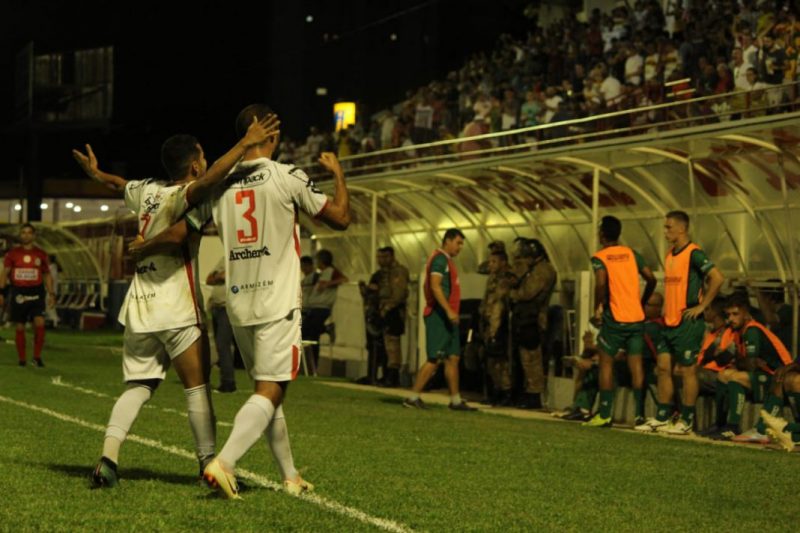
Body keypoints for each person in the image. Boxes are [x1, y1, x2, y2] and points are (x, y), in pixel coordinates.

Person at [71, 113, 280, 488]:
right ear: (195, 165)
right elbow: (181, 230)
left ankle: (107, 460)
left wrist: (97, 174)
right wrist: (246, 143)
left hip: (141, 305)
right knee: (197, 387)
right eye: (203, 157)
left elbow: (119, 184)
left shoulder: (147, 191)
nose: (207, 162)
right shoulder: (190, 196)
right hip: (177, 304)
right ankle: (208, 466)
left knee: (138, 386)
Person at [176, 103, 350, 499]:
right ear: (270, 133)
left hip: (240, 304)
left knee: (268, 391)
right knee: (271, 390)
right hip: (277, 302)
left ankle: (290, 475)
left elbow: (188, 223)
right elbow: (340, 218)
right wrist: (339, 174)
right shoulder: (288, 176)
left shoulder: (221, 182)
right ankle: (225, 462)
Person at [637, 210, 724, 434]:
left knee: (688, 371)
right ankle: (663, 416)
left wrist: (702, 306)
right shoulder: (670, 255)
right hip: (669, 322)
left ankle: (686, 420)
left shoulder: (694, 253)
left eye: (669, 227)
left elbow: (717, 277)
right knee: (663, 368)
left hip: (687, 322)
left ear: (682, 229)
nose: (665, 232)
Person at [583, 216, 656, 428]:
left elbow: (601, 283)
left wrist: (598, 306)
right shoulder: (632, 254)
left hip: (614, 318)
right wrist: (643, 301)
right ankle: (639, 416)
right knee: (636, 365)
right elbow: (651, 278)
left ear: (601, 235)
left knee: (606, 363)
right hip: (636, 318)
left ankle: (605, 414)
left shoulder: (600, 257)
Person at [404, 228, 476, 411]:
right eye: (458, 243)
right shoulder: (440, 259)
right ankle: (412, 398)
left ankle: (455, 401)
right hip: (439, 316)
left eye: (462, 244)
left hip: (448, 317)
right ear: (448, 241)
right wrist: (449, 310)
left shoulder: (447, 260)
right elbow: (435, 286)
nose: (460, 247)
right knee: (434, 358)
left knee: (453, 357)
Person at [716, 295, 793, 443]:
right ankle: (721, 425)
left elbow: (750, 365)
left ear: (746, 313)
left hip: (780, 378)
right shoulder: (739, 331)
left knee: (736, 377)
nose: (730, 319)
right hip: (766, 375)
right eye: (728, 315)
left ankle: (733, 427)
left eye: (735, 314)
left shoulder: (752, 330)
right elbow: (746, 362)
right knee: (723, 375)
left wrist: (741, 361)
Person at [509, 237, 557, 409]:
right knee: (525, 358)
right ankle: (527, 393)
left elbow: (527, 292)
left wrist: (512, 293)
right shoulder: (536, 268)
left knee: (532, 359)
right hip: (526, 319)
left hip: (534, 320)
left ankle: (534, 395)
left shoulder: (543, 270)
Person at [0, 224, 55, 367]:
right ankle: (22, 359)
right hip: (19, 292)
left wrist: (51, 293)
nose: (26, 235)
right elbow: (5, 273)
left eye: (29, 232)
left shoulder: (40, 254)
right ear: (20, 235)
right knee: (20, 326)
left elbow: (46, 274)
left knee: (40, 323)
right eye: (23, 232)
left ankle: (36, 357)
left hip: (37, 292)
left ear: (34, 235)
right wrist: (1, 292)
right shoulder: (12, 254)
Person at [479, 249, 515, 406]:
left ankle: (506, 391)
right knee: (490, 361)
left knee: (501, 361)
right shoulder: (492, 279)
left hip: (500, 324)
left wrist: (495, 329)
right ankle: (495, 390)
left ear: (503, 262)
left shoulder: (505, 280)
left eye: (494, 262)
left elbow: (499, 306)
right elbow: (486, 301)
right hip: (489, 323)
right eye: (490, 261)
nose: (491, 265)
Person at [302, 249, 348, 372]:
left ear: (321, 261)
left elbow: (344, 279)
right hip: (315, 307)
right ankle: (312, 366)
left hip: (321, 308)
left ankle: (326, 329)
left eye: (317, 260)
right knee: (310, 335)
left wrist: (328, 284)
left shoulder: (331, 270)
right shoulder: (322, 273)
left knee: (307, 332)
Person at [376, 246, 409, 387]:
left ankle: (393, 377)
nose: (381, 260)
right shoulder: (384, 273)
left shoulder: (398, 271)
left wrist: (388, 307)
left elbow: (399, 294)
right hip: (385, 309)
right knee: (387, 344)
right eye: (379, 257)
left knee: (392, 344)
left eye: (384, 257)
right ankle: (387, 375)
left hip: (394, 311)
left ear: (391, 257)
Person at [206, 258, 236, 393]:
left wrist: (220, 276)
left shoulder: (236, 258)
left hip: (227, 308)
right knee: (219, 345)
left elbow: (230, 276)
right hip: (216, 307)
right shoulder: (223, 259)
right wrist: (219, 276)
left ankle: (228, 383)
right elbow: (209, 279)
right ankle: (226, 381)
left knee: (223, 344)